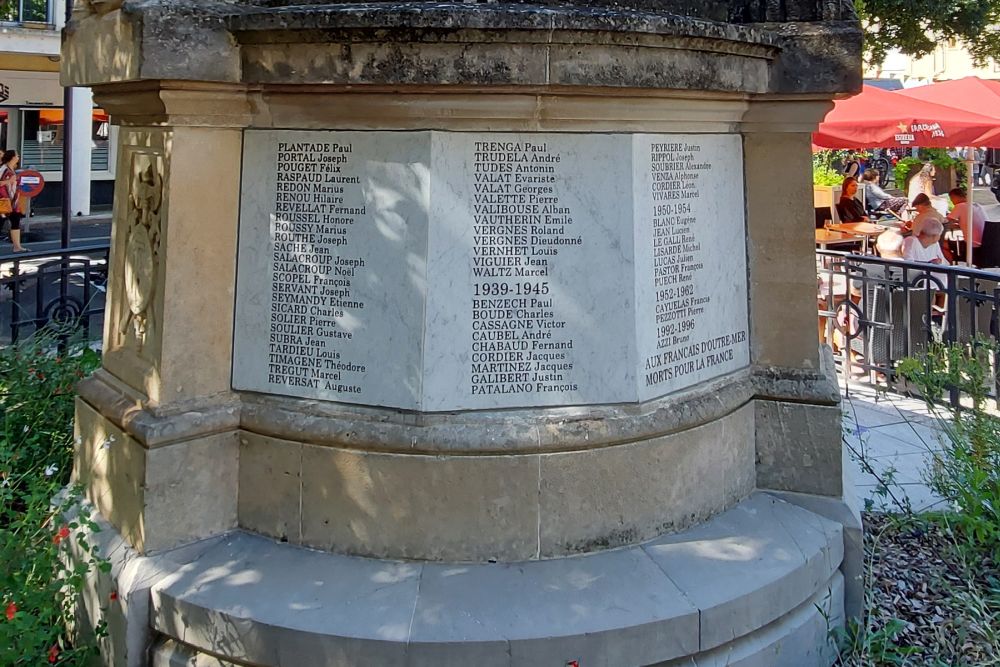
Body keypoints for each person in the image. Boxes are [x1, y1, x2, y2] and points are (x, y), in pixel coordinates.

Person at [945, 187, 986, 261]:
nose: (952, 202)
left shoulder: (960, 206)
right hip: (985, 241)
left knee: (947, 244)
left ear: (955, 197)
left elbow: (945, 221)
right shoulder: (977, 205)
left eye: (952, 200)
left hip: (973, 244)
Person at [0, 150, 26, 252]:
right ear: (12, 157)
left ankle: (17, 247)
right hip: (4, 201)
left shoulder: (11, 169)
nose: (18, 157)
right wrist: (9, 181)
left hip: (12, 201)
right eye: (17, 155)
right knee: (1, 223)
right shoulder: (3, 169)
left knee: (15, 221)